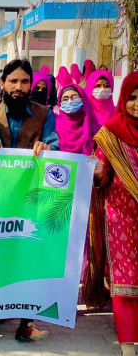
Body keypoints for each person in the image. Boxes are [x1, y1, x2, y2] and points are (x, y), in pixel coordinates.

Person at [0, 58, 58, 341]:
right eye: (13, 81)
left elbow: (54, 144)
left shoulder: (43, 113)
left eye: (24, 82)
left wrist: (46, 147)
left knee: (29, 255)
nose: (19, 87)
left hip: (30, 198)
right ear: (2, 83)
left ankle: (26, 323)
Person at [87, 71, 138, 356]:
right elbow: (102, 175)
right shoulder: (110, 134)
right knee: (126, 279)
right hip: (120, 217)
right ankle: (128, 344)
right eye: (132, 98)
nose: (136, 104)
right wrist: (97, 171)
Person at [56, 84, 100, 154]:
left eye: (75, 97)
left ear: (83, 99)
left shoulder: (94, 127)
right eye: (65, 99)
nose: (70, 101)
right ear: (60, 102)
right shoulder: (54, 125)